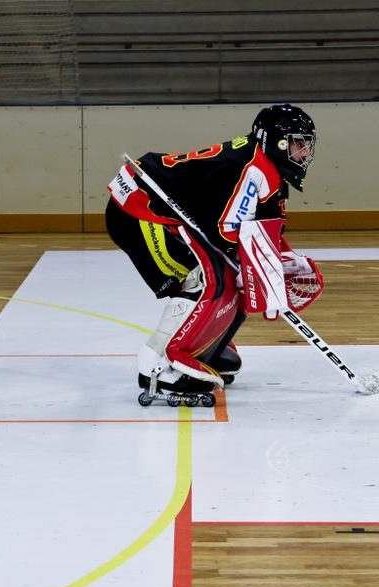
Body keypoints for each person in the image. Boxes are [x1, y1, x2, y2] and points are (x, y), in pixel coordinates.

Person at [105, 103, 321, 404]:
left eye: (305, 146)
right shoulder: (254, 169)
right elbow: (227, 235)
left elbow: (264, 231)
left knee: (229, 276)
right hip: (140, 210)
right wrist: (258, 267)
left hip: (155, 210)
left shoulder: (266, 168)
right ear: (277, 142)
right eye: (297, 145)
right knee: (208, 277)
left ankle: (206, 346)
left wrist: (286, 261)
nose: (304, 154)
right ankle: (159, 365)